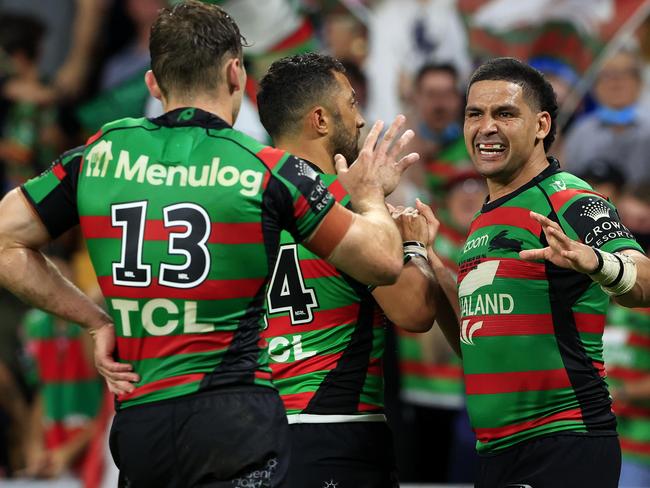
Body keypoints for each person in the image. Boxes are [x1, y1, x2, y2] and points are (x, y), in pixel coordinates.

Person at [0, 2, 419, 486]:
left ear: (153, 84)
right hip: (232, 420)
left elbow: (6, 241)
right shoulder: (266, 169)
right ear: (236, 74)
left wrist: (94, 320)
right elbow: (385, 264)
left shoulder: (97, 155)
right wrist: (369, 197)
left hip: (140, 424)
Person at [256, 52, 458, 488]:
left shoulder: (240, 202)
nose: (362, 119)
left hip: (249, 430)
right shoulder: (343, 207)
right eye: (351, 104)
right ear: (320, 120)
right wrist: (410, 243)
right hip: (333, 430)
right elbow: (415, 311)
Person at [458, 56, 647, 488]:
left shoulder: (567, 199)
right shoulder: (485, 219)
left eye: (505, 113)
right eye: (475, 113)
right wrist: (425, 258)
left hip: (564, 441)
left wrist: (595, 261)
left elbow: (646, 279)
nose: (486, 127)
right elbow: (475, 342)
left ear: (541, 125)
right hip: (496, 451)